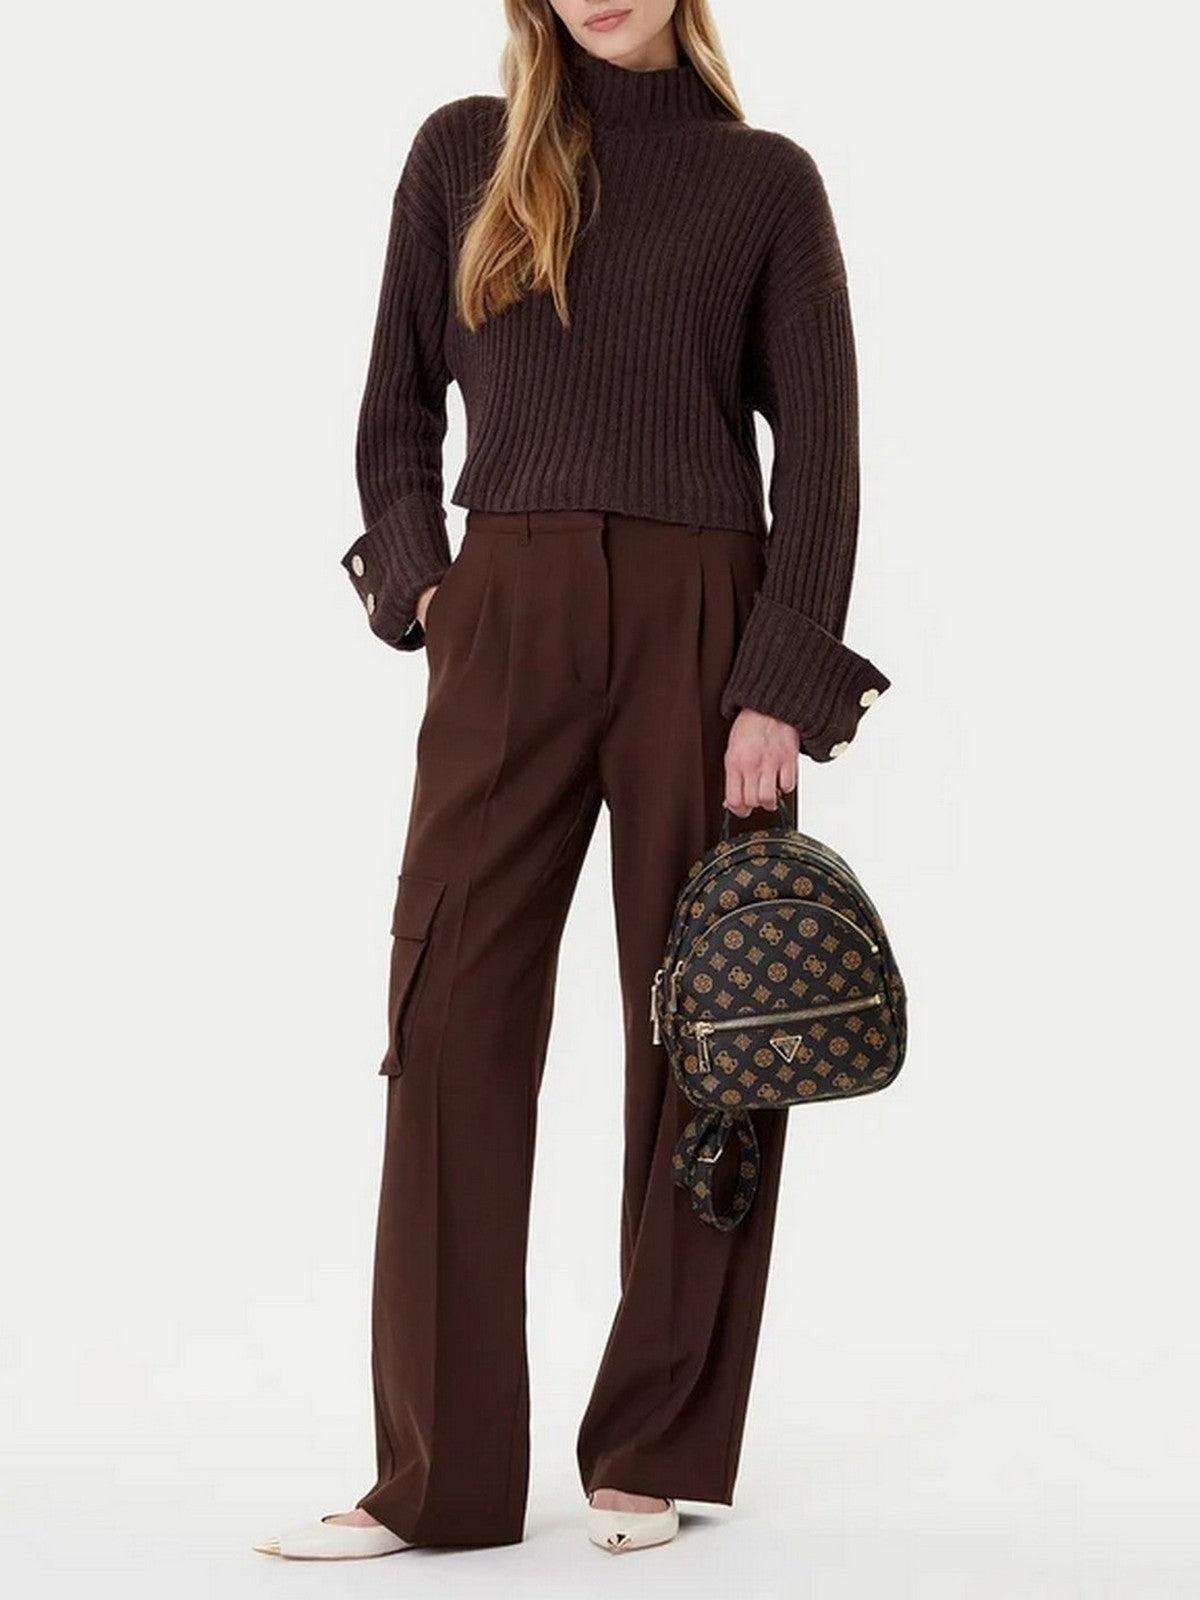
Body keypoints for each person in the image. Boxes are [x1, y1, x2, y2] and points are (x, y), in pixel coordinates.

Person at [254, 0, 890, 1561]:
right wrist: (428, 590)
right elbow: (395, 406)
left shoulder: (764, 183)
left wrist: (779, 685)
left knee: (716, 1027)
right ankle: (439, 1479)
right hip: (506, 619)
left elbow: (821, 457)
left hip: (704, 633)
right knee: (449, 1021)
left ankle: (654, 1448)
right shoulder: (461, 157)